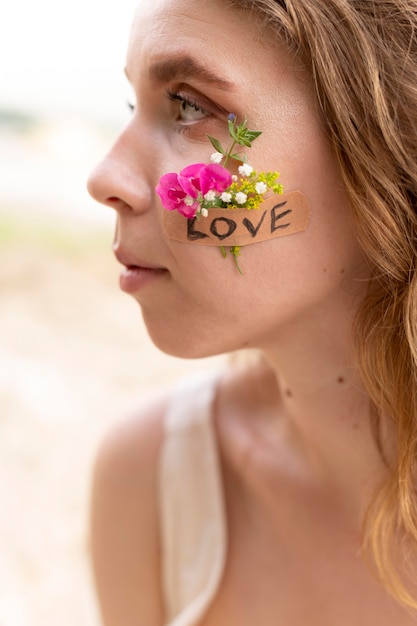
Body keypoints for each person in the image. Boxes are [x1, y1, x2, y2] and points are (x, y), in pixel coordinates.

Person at [86, 0, 417, 623]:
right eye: (136, 106)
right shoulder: (153, 478)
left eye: (189, 105)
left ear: (388, 140)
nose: (105, 177)